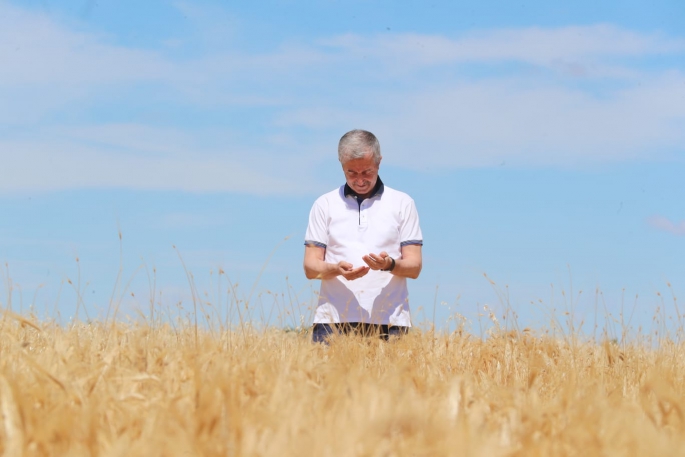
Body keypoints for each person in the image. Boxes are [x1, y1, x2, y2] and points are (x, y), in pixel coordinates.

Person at [303, 129, 423, 343]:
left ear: (379, 162)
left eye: (366, 172)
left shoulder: (403, 203)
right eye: (351, 173)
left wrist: (389, 264)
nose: (359, 180)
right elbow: (311, 268)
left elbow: (414, 266)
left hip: (391, 325)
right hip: (331, 324)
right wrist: (335, 269)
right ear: (341, 164)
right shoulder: (324, 205)